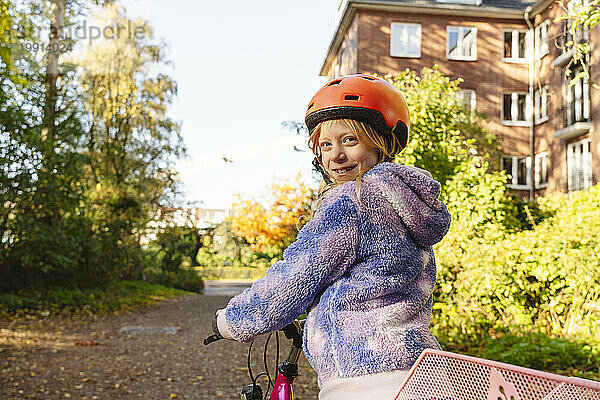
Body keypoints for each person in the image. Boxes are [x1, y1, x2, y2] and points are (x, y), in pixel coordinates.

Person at [211, 74, 451, 399]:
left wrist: (231, 322)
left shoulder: (354, 200)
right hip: (417, 372)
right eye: (326, 144)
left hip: (368, 378)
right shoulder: (405, 202)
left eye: (350, 140)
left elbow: (296, 276)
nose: (335, 155)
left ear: (382, 143)